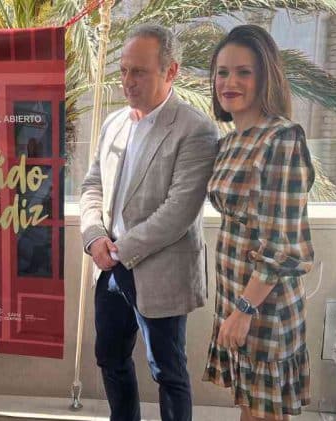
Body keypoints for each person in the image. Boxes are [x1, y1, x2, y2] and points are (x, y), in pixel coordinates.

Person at [80, 24, 219, 421]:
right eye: (123, 70)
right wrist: (93, 238)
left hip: (160, 269)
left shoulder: (196, 130)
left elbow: (179, 212)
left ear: (170, 71)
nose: (127, 81)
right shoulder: (113, 124)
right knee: (109, 357)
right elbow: (92, 184)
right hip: (108, 267)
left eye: (138, 71)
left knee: (168, 371)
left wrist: (121, 249)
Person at [202, 25, 315, 421]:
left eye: (243, 72)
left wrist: (245, 309)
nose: (229, 82)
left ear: (265, 77)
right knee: (249, 406)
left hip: (262, 305)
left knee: (266, 413)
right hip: (235, 294)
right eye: (221, 72)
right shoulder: (230, 141)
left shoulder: (281, 138)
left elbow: (284, 244)